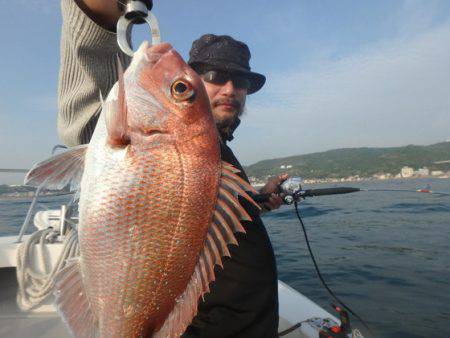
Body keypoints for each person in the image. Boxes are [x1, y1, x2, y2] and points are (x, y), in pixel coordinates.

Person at [58, 1, 288, 336]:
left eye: (241, 82)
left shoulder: (213, 153)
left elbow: (200, 217)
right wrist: (100, 14)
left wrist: (259, 199)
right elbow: (90, 114)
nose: (230, 89)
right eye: (214, 76)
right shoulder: (164, 139)